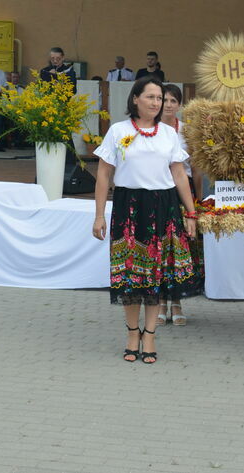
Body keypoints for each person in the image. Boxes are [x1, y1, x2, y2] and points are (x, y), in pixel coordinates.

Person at [91, 77, 200, 364]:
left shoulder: (169, 134)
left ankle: (149, 335)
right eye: (150, 97)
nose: (156, 103)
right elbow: (104, 175)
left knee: (155, 276)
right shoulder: (118, 131)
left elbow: (179, 174)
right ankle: (131, 333)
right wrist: (99, 214)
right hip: (129, 207)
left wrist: (190, 212)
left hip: (163, 208)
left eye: (159, 98)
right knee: (130, 275)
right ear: (135, 99)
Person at [156, 83, 203, 327]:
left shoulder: (186, 131)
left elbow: (194, 169)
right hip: (159, 193)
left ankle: (177, 302)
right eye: (164, 100)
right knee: (162, 247)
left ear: (180, 105)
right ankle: (162, 302)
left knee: (181, 249)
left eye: (174, 100)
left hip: (182, 192)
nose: (169, 105)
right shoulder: (150, 129)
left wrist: (197, 200)